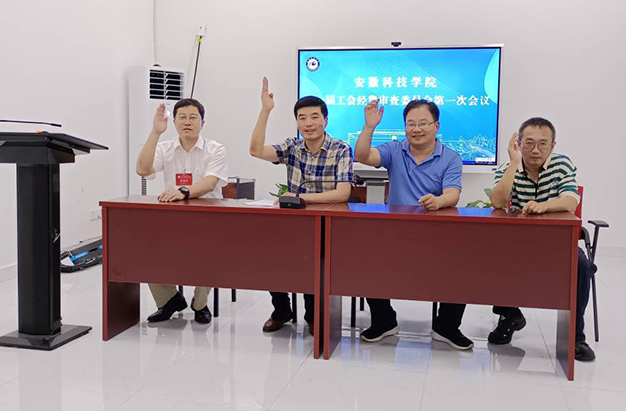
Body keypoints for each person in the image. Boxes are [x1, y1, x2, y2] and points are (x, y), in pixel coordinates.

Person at [354, 99, 473, 350]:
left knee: (462, 263)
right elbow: (362, 156)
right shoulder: (395, 150)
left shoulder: (451, 158)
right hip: (395, 232)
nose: (416, 129)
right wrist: (369, 126)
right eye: (411, 124)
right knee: (365, 257)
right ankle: (384, 321)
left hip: (435, 233)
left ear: (436, 126)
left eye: (423, 123)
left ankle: (447, 326)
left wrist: (438, 201)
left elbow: (453, 194)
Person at [249, 77, 353, 334]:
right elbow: (256, 150)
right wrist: (265, 111)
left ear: (325, 120)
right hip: (294, 222)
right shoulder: (292, 147)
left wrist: (302, 198)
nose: (308, 123)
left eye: (315, 117)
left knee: (315, 263)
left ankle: (313, 315)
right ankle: (281, 310)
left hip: (328, 223)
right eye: (302, 118)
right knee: (271, 257)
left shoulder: (340, 149)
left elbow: (343, 194)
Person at [489, 117, 596, 361]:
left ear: (552, 145)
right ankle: (510, 316)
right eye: (528, 143)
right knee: (493, 258)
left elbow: (570, 200)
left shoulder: (562, 164)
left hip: (557, 242)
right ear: (518, 143)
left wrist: (542, 206)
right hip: (518, 242)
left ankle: (576, 337)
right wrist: (513, 163)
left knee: (581, 265)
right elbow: (497, 201)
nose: (535, 150)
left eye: (543, 144)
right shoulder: (509, 167)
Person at [136, 98, 227, 324]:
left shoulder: (215, 149)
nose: (187, 122)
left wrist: (183, 192)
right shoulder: (164, 148)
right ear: (174, 122)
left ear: (202, 123)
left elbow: (210, 184)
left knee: (212, 251)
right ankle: (169, 300)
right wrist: (155, 133)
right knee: (144, 247)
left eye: (193, 117)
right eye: (182, 118)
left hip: (209, 218)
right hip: (173, 218)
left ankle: (200, 304)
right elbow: (143, 169)